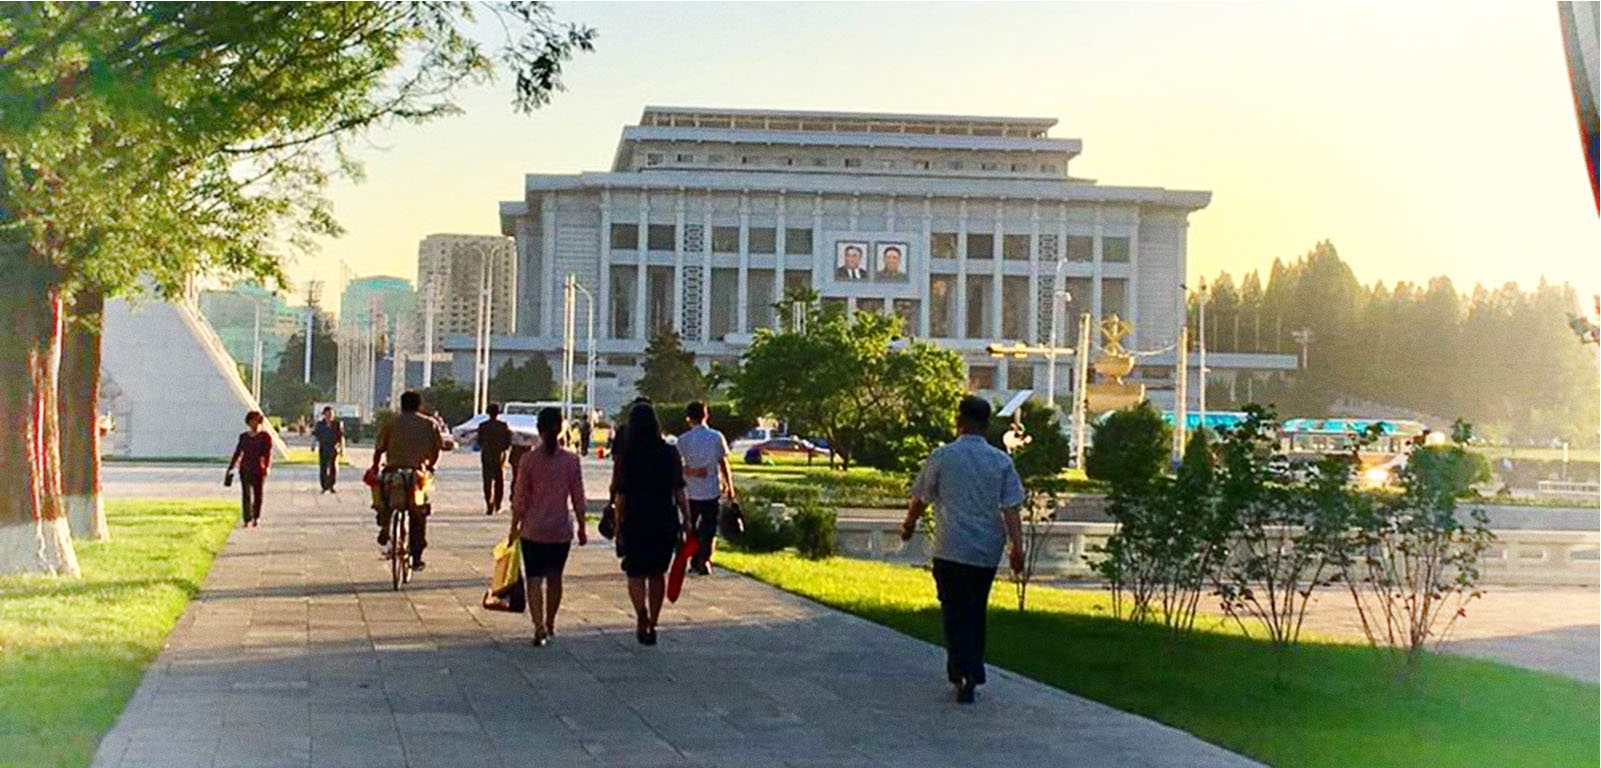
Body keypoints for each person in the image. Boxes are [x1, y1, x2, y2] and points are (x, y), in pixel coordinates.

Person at [900, 396, 1025, 704]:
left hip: (950, 547)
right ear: (987, 425)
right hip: (985, 550)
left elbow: (921, 497)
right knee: (975, 610)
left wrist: (909, 524)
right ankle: (973, 668)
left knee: (953, 611)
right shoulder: (1000, 461)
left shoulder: (943, 457)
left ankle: (961, 670)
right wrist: (1017, 547)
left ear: (959, 422)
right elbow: (1011, 508)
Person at [508, 407, 588, 647]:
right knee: (555, 578)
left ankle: (538, 626)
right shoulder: (571, 461)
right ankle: (550, 622)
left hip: (533, 529)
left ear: (539, 430)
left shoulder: (528, 460)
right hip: (559, 528)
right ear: (561, 428)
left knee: (534, 578)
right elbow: (578, 496)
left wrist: (514, 526)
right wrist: (582, 526)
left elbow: (520, 497)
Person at [612, 402, 690, 646]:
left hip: (635, 517)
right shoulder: (669, 453)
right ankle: (654, 620)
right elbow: (679, 489)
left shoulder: (627, 455)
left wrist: (618, 524)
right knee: (657, 573)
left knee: (635, 571)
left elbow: (620, 494)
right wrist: (687, 518)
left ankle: (641, 613)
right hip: (663, 517)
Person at [370, 391, 443, 571]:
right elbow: (437, 449)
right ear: (419, 406)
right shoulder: (429, 424)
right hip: (417, 475)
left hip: (392, 471)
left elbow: (379, 450)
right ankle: (416, 556)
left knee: (383, 497)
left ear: (401, 405)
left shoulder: (391, 423)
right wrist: (430, 465)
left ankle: (385, 522)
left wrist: (375, 467)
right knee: (419, 514)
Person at [677, 401, 736, 575]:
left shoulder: (683, 440)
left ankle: (694, 559)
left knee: (692, 528)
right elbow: (723, 463)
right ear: (706, 415)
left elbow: (676, 466)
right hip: (711, 490)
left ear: (688, 418)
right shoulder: (716, 437)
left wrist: (691, 471)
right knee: (709, 528)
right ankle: (705, 559)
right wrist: (729, 486)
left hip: (690, 491)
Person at [226, 411, 273, 528]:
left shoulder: (265, 437)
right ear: (248, 422)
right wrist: (231, 467)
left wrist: (267, 466)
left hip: (259, 468)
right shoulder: (244, 437)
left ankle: (256, 517)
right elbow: (238, 453)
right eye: (252, 421)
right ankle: (247, 518)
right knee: (246, 494)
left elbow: (267, 454)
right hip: (245, 468)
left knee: (258, 494)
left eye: (257, 420)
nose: (254, 423)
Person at [477, 403, 513, 516]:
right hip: (500, 455)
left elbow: (479, 441)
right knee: (499, 481)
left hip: (486, 455)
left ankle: (489, 504)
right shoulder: (503, 426)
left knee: (487, 481)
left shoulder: (483, 426)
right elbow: (508, 441)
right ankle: (498, 504)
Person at [312, 406, 344, 493]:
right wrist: (313, 445)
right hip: (323, 447)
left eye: (331, 414)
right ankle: (324, 486)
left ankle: (331, 485)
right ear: (324, 414)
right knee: (323, 467)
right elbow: (316, 435)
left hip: (334, 447)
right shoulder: (320, 424)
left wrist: (341, 448)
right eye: (328, 414)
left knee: (333, 467)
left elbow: (341, 437)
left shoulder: (337, 424)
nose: (330, 416)